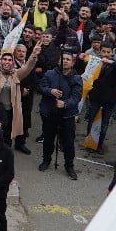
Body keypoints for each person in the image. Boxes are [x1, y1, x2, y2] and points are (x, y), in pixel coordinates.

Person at [37, 51, 83, 180]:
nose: (65, 61)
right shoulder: (50, 74)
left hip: (67, 116)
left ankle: (69, 166)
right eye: (63, 59)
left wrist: (65, 103)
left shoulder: (77, 78)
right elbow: (40, 87)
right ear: (59, 61)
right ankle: (46, 160)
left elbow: (77, 97)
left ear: (73, 62)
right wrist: (50, 91)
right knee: (48, 140)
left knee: (68, 143)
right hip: (50, 113)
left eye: (68, 59)